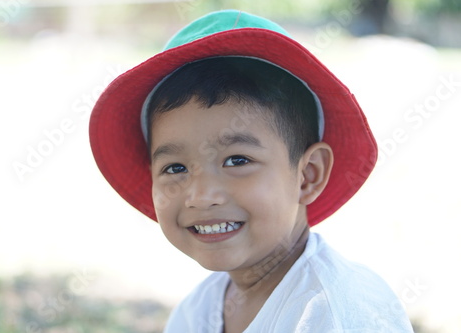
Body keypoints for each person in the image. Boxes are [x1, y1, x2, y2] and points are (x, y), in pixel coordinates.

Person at [89, 9, 413, 333]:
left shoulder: (335, 311)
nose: (201, 196)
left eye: (237, 160)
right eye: (176, 167)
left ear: (307, 174)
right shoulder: (198, 311)